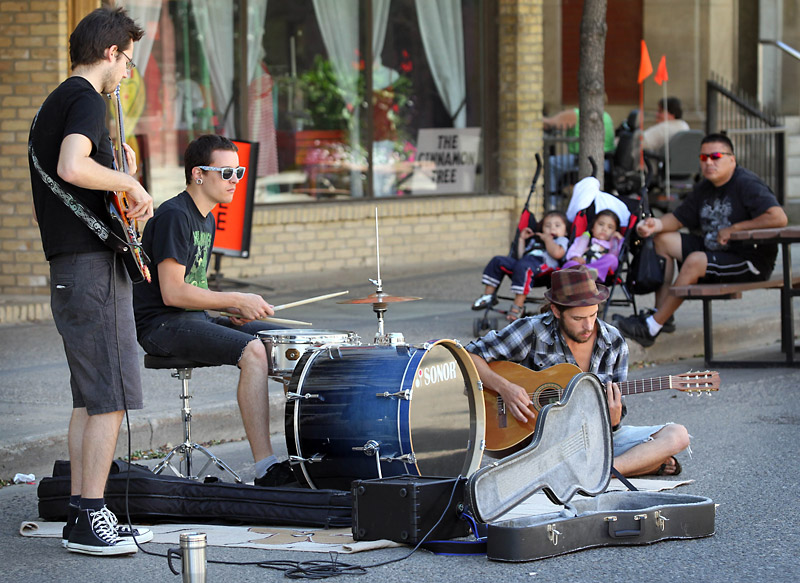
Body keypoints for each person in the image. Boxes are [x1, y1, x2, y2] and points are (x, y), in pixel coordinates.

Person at [28, 7, 154, 556]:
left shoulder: (55, 102)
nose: (129, 71)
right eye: (128, 59)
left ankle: (82, 510)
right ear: (111, 52)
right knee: (112, 397)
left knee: (90, 396)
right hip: (90, 268)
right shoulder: (84, 98)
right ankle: (90, 518)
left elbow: (79, 175)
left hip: (71, 267)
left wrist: (114, 168)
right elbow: (73, 166)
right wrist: (125, 179)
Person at [132, 135, 297, 489]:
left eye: (238, 171)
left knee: (285, 342)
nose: (235, 179)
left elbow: (196, 287)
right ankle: (266, 468)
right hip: (161, 326)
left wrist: (232, 311)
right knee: (254, 352)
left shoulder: (205, 218)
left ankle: (302, 453)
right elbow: (172, 292)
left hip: (191, 318)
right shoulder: (175, 215)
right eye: (226, 172)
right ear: (198, 175)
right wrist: (234, 298)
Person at [466, 265, 690, 477]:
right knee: (632, 455)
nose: (588, 326)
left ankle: (601, 472)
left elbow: (612, 424)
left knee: (677, 435)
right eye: (578, 318)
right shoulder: (532, 329)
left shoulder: (613, 342)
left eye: (593, 315)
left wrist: (612, 421)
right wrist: (505, 388)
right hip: (538, 441)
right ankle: (626, 466)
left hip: (589, 438)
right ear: (556, 311)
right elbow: (470, 355)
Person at [613, 133, 788, 347]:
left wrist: (735, 229)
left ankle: (651, 327)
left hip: (749, 261)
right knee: (663, 239)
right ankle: (662, 315)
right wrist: (654, 225)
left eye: (715, 156)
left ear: (732, 159)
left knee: (695, 260)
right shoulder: (704, 187)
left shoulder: (746, 183)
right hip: (714, 252)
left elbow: (778, 217)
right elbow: (678, 218)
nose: (709, 162)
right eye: (703, 158)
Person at [472, 210, 570, 321]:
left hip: (543, 267)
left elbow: (557, 254)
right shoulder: (535, 240)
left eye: (557, 226)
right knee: (497, 260)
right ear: (542, 228)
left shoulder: (562, 240)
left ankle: (517, 306)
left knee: (524, 267)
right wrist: (522, 239)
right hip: (524, 263)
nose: (552, 229)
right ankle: (488, 296)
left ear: (566, 231)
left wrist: (548, 239)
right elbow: (520, 256)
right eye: (547, 226)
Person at [543, 107, 615, 197]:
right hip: (608, 162)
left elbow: (551, 124)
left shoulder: (577, 114)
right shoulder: (606, 116)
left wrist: (538, 118)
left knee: (551, 163)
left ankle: (552, 200)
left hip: (586, 160)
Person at [561, 209, 623, 281]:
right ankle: (586, 273)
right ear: (593, 227)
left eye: (610, 227)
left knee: (612, 259)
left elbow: (620, 252)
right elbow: (574, 249)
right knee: (570, 264)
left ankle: (591, 274)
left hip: (598, 270)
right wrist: (575, 257)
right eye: (601, 224)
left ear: (614, 232)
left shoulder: (611, 245)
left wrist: (620, 239)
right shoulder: (584, 239)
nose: (604, 229)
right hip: (581, 267)